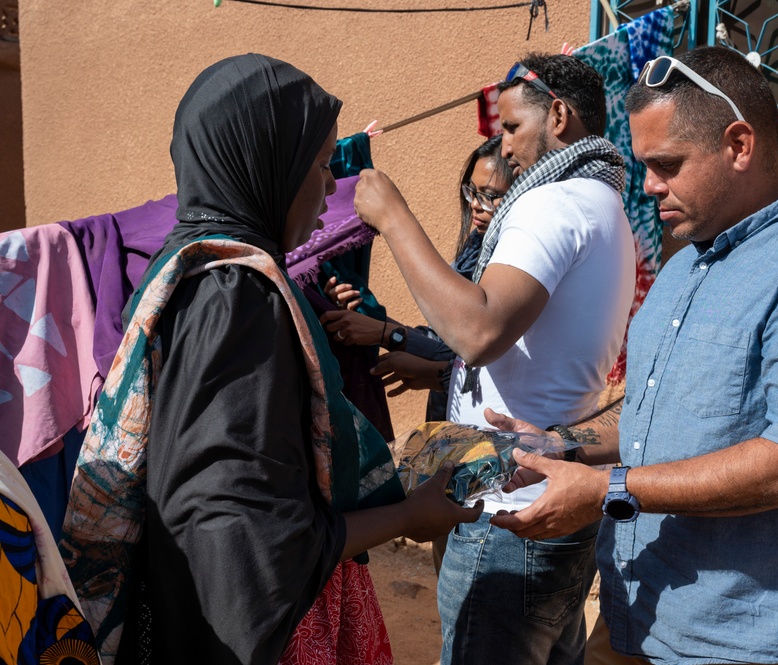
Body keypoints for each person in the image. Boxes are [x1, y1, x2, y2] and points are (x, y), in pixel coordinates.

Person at [485, 46, 778, 665]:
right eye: (645, 164)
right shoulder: (685, 267)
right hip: (632, 620)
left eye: (667, 164)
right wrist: (562, 446)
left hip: (742, 642)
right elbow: (654, 417)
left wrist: (604, 489)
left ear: (739, 145)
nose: (649, 184)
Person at [59, 54, 482, 665]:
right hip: (272, 634)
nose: (333, 185)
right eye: (319, 164)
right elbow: (246, 534)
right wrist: (408, 515)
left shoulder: (187, 271)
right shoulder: (238, 297)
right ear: (266, 168)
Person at [353, 54, 637, 665]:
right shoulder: (606, 206)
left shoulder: (553, 205)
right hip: (553, 494)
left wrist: (394, 217)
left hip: (507, 510)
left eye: (510, 127)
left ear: (557, 115)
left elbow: (479, 332)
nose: (502, 145)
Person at [320, 135, 514, 422]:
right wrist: (366, 323)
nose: (474, 205)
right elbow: (442, 336)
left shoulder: (511, 268)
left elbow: (472, 353)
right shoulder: (473, 253)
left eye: (488, 195)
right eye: (471, 192)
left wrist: (387, 334)